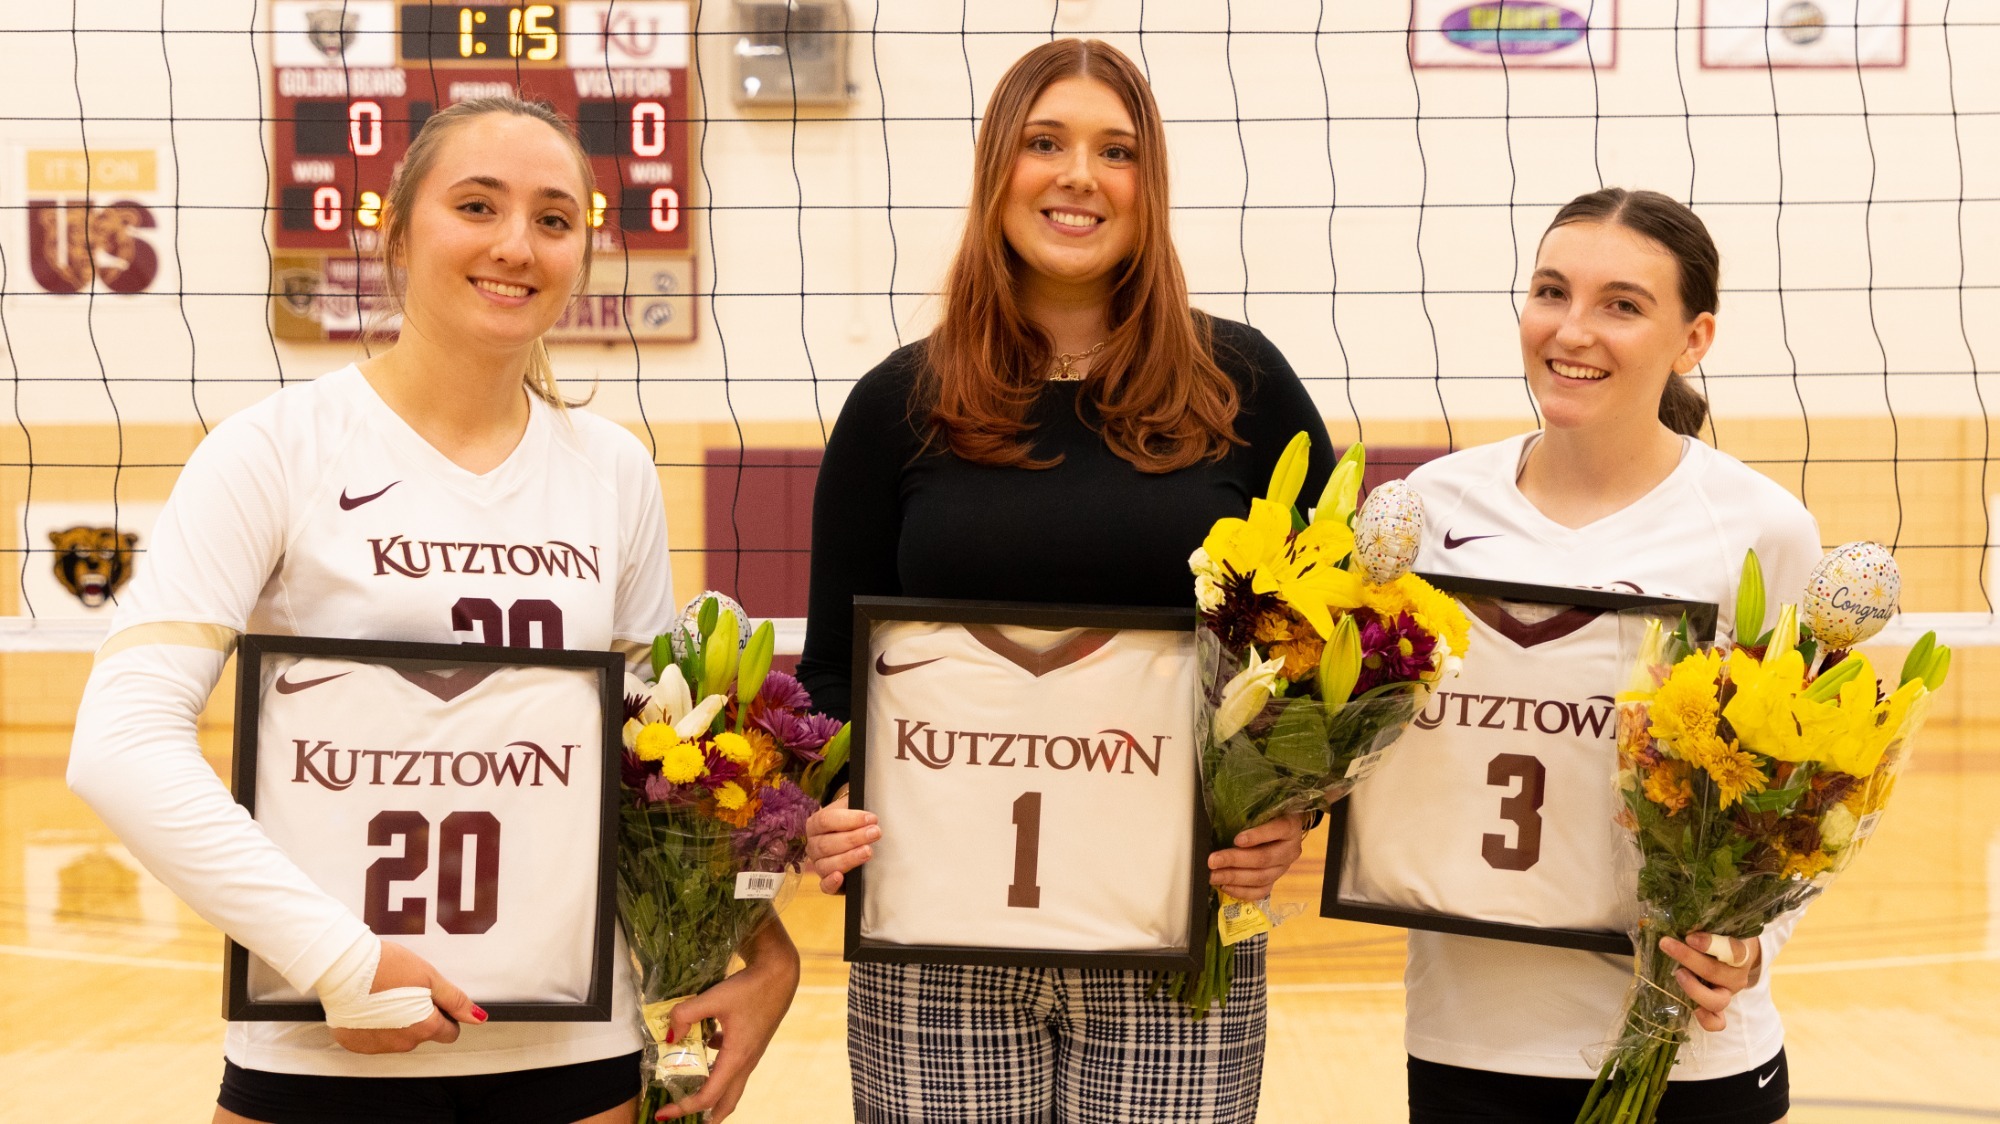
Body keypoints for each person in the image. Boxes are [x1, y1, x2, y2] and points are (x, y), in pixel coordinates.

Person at [66, 95, 796, 1124]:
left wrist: (762, 936)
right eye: (476, 205)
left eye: (553, 218)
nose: (516, 245)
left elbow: (652, 769)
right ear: (397, 232)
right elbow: (118, 739)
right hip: (323, 1038)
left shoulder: (612, 472)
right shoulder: (273, 449)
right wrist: (339, 956)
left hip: (570, 1040)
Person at [795, 38, 1331, 1124]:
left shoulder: (1247, 384)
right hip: (937, 933)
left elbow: (1337, 651)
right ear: (999, 169)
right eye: (1044, 142)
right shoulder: (895, 402)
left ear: (1150, 185)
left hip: (1175, 931)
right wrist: (825, 805)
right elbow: (826, 682)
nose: (1077, 175)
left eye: (1114, 149)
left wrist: (1293, 807)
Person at [1396, 188, 1819, 1123]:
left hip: (1690, 1052)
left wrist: (1750, 952)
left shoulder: (1761, 530)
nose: (1572, 330)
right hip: (1469, 1036)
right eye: (1551, 292)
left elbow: (1810, 794)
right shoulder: (1434, 507)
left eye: (1622, 305)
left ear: (1694, 338)